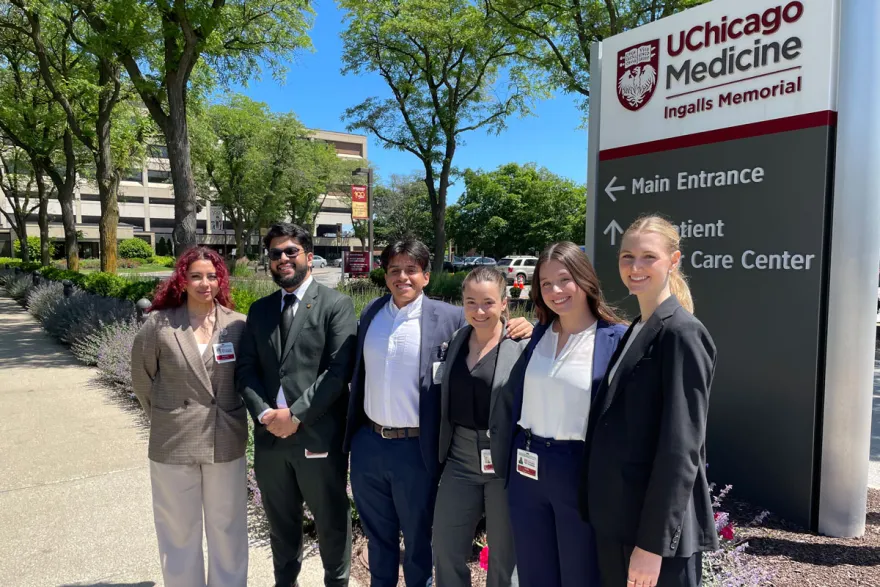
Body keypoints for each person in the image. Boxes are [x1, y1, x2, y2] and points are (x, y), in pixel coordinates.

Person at [343, 239, 533, 587]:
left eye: (411, 270)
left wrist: (523, 326)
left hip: (417, 448)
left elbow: (491, 329)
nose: (403, 277)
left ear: (426, 276)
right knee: (379, 536)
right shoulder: (371, 312)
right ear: (385, 275)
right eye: (394, 270)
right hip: (369, 443)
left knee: (420, 541)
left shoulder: (448, 319)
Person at [579, 215, 718, 587]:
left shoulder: (682, 333)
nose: (635, 267)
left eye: (648, 257)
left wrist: (652, 546)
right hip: (619, 522)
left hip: (652, 541)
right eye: (627, 257)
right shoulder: (639, 328)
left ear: (673, 261)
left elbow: (682, 450)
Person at [235, 222, 357, 587]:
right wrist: (266, 414)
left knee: (332, 524)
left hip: (318, 436)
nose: (283, 259)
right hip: (271, 439)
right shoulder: (259, 310)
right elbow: (245, 371)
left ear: (308, 255)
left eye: (291, 251)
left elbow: (338, 371)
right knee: (280, 525)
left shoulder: (336, 305)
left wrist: (297, 415)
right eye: (276, 254)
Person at [506, 241, 627, 587]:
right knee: (534, 573)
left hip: (577, 469)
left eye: (564, 279)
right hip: (525, 466)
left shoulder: (615, 339)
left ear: (585, 279)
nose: (555, 291)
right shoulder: (539, 334)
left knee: (580, 573)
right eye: (545, 284)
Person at [131, 246, 249, 587]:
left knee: (227, 527)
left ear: (221, 280)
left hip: (224, 438)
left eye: (212, 276)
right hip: (174, 440)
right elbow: (142, 378)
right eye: (196, 276)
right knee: (178, 531)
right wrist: (168, 416)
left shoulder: (238, 325)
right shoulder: (159, 324)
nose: (204, 283)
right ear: (182, 280)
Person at [433, 266, 525, 587]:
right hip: (459, 459)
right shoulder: (457, 340)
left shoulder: (521, 345)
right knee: (445, 549)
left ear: (504, 303)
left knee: (504, 558)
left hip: (503, 462)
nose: (479, 310)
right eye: (470, 302)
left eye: (487, 302)